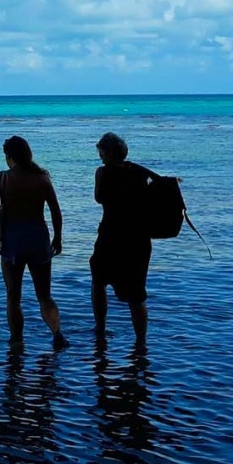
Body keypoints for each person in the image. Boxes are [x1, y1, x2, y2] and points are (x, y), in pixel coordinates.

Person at [0, 135, 69, 351]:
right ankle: (57, 333)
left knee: (13, 296)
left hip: (13, 243)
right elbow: (56, 211)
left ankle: (17, 340)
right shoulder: (42, 178)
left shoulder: (3, 178)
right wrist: (58, 237)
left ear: (9, 156)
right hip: (38, 240)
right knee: (44, 295)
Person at [91, 132, 157, 347]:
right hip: (138, 238)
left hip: (110, 236)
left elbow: (99, 197)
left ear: (108, 152)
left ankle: (100, 329)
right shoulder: (138, 174)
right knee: (136, 294)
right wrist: (137, 168)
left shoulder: (102, 173)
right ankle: (141, 342)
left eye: (101, 151)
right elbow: (159, 183)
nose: (100, 156)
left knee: (99, 282)